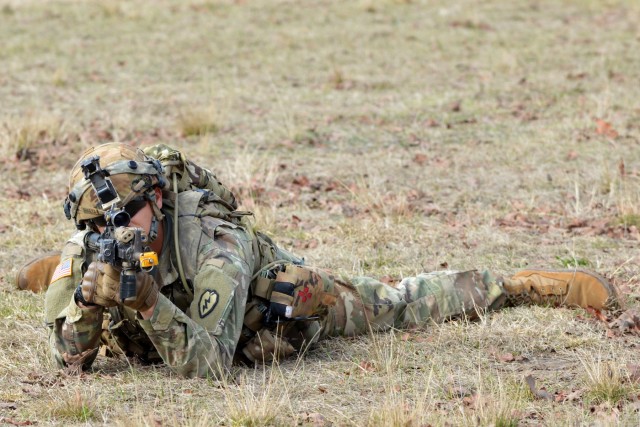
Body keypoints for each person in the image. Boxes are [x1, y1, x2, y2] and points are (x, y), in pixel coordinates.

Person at [18, 142, 617, 379]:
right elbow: (70, 361)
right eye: (97, 227)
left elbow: (207, 368)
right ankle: (51, 274)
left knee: (390, 305)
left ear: (158, 202)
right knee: (76, 285)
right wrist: (90, 305)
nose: (112, 235)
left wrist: (145, 299)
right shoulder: (95, 245)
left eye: (123, 221)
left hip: (259, 306)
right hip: (164, 313)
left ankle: (515, 285)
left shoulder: (213, 239)